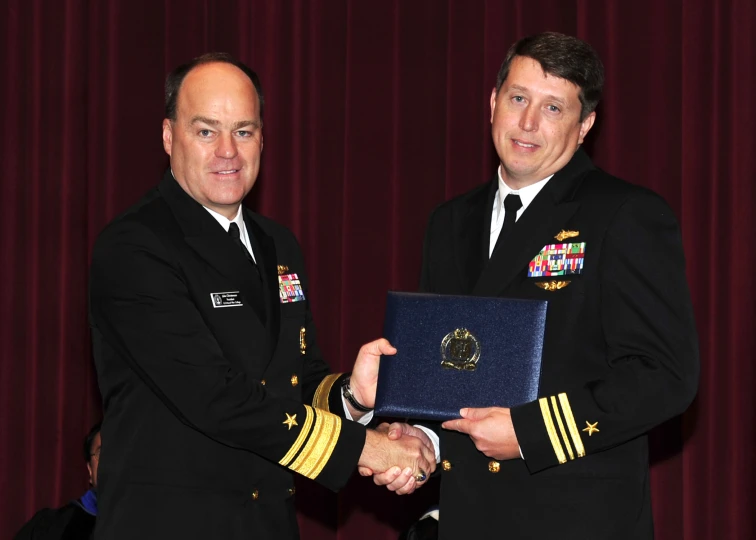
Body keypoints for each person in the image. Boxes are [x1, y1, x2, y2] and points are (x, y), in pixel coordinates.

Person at [88, 53, 434, 540]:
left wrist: (353, 398)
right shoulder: (134, 246)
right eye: (206, 131)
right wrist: (365, 448)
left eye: (244, 131)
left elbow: (295, 379)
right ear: (169, 137)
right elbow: (216, 398)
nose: (228, 151)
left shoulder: (278, 244)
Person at [379, 32, 699, 538]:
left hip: (574, 518)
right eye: (519, 98)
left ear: (585, 125)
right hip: (468, 515)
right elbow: (452, 366)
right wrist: (421, 437)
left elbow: (664, 377)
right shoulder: (449, 222)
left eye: (553, 108)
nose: (527, 123)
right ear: (493, 102)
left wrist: (530, 433)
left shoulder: (623, 214)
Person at [14, 423, 101, 540]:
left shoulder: (132, 523)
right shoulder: (49, 527)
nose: (110, 463)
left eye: (116, 453)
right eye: (101, 453)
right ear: (90, 469)